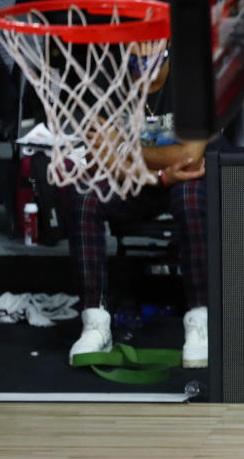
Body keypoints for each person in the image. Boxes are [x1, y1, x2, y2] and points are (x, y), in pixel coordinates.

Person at [67, 42, 209, 368]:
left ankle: (201, 320)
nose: (143, 53)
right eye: (137, 45)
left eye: (151, 44)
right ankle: (96, 322)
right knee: (84, 192)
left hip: (187, 181)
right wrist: (158, 174)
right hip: (142, 184)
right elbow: (103, 158)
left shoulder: (194, 79)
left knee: (189, 197)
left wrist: (126, 150)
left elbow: (190, 155)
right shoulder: (107, 79)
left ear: (168, 44)